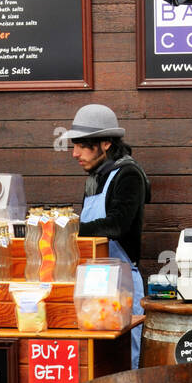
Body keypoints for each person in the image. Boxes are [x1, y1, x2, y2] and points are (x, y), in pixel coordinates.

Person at [63, 104, 151, 368]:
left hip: (119, 283)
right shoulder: (95, 178)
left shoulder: (128, 175)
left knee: (125, 357)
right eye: (73, 146)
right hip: (91, 284)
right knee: (94, 359)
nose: (75, 153)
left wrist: (66, 229)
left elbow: (116, 226)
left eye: (81, 146)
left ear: (105, 143)